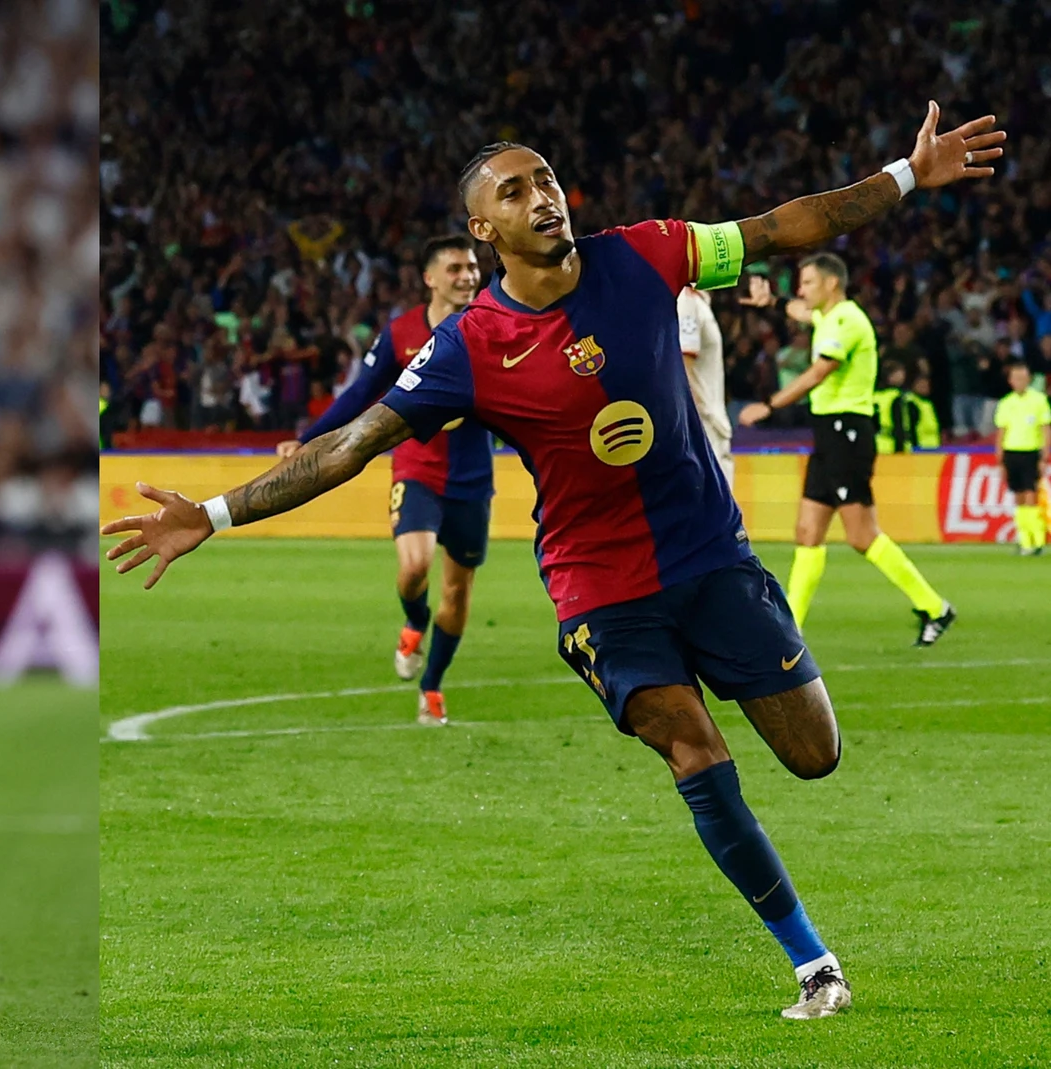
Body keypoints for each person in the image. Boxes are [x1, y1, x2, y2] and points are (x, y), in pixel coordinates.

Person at [105, 102, 1004, 1020]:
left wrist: (904, 174)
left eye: (545, 179)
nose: (542, 197)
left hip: (710, 556)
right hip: (600, 588)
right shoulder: (470, 345)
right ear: (481, 229)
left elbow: (783, 227)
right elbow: (350, 444)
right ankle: (814, 963)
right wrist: (213, 512)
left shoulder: (648, 253)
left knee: (815, 755)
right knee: (691, 746)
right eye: (514, 190)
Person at [277, 235, 487, 724]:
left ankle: (432, 685)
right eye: (455, 268)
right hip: (418, 467)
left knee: (457, 594)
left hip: (474, 479)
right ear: (430, 278)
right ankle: (414, 621)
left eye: (472, 267)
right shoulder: (403, 332)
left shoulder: (495, 325)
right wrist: (308, 439)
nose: (467, 276)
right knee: (415, 566)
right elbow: (361, 394)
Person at [737, 255, 955, 643]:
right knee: (807, 531)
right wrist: (771, 301)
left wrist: (770, 406)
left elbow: (819, 372)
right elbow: (800, 310)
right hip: (829, 432)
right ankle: (791, 628)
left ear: (831, 284)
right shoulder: (828, 316)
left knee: (862, 536)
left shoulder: (847, 322)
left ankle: (934, 607)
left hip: (848, 431)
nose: (801, 290)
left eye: (806, 282)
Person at [992, 361, 1051, 554]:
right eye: (1016, 378)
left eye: (1023, 378)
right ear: (1010, 381)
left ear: (1029, 380)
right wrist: (1000, 459)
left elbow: (1045, 429)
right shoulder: (1006, 403)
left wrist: (1044, 456)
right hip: (1012, 453)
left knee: (1031, 494)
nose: (1019, 382)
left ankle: (1038, 540)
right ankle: (1025, 541)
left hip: (1031, 452)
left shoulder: (1039, 400)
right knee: (1018, 496)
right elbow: (1001, 432)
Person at [678, 283, 734, 487]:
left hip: (708, 420)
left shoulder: (697, 300)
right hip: (704, 423)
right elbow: (684, 364)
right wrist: (704, 416)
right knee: (717, 505)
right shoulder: (686, 301)